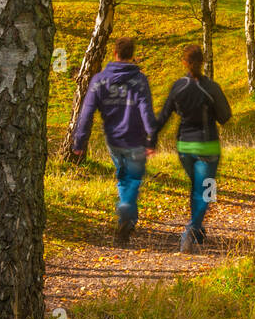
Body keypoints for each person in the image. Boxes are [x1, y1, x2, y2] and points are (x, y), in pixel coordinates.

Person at [71, 37, 159, 246]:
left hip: (113, 140)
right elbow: (146, 110)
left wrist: (79, 142)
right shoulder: (139, 80)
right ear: (132, 55)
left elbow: (86, 113)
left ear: (115, 54)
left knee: (123, 177)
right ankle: (126, 214)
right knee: (133, 180)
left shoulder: (99, 80)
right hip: (136, 139)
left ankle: (126, 218)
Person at [153, 44, 232, 254]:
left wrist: (151, 139)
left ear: (184, 63)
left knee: (197, 188)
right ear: (203, 62)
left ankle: (197, 230)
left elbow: (163, 117)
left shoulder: (178, 86)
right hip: (208, 147)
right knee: (206, 191)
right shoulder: (211, 87)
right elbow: (225, 117)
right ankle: (191, 230)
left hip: (184, 147)